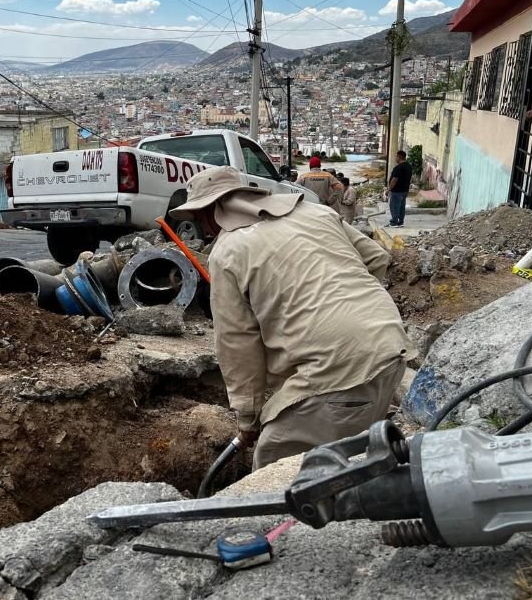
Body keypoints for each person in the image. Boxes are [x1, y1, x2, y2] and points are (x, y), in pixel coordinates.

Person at [170, 166, 414, 470]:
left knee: (273, 461)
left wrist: (248, 417)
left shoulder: (228, 252)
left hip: (338, 368)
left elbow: (237, 342)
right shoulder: (315, 212)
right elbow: (377, 257)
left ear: (210, 212)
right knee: (346, 462)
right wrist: (351, 314)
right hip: (390, 346)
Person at [387, 150, 413, 227]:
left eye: (396, 157)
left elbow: (394, 180)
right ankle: (400, 221)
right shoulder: (409, 166)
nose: (396, 158)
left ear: (399, 157)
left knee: (394, 206)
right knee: (401, 207)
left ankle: (394, 222)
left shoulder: (398, 168)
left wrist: (388, 190)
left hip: (397, 191)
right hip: (404, 190)